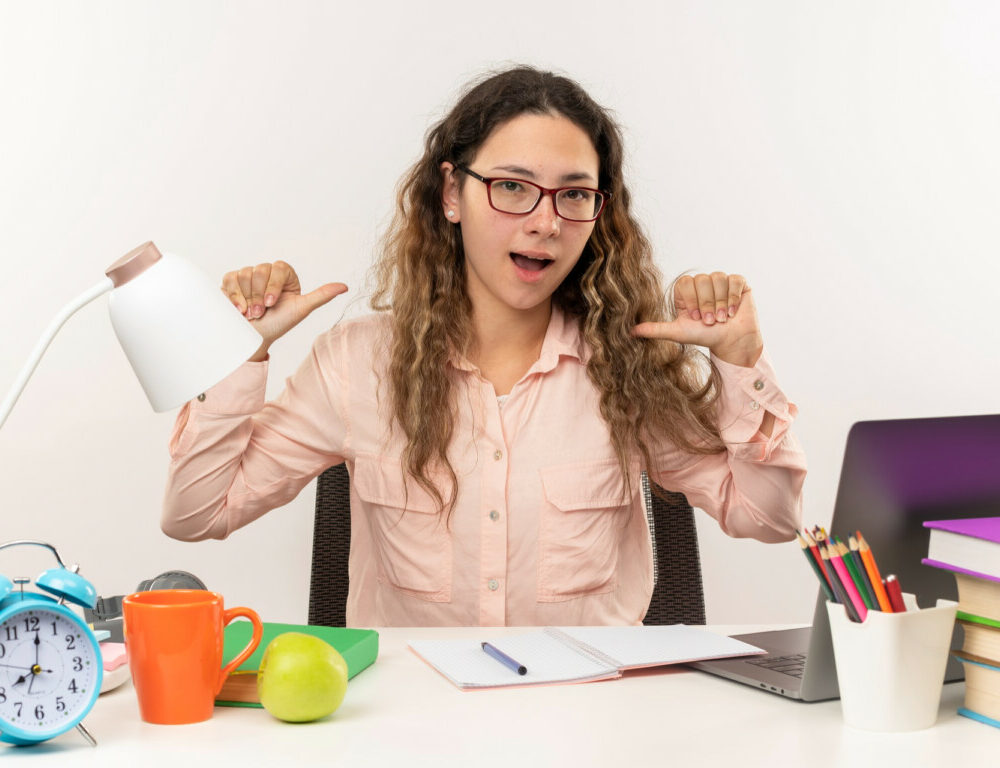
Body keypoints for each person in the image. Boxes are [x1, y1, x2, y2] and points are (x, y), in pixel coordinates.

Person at [162, 66, 806, 627]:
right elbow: (196, 513)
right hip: (412, 724)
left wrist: (740, 359)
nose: (546, 221)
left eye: (574, 194)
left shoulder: (625, 365)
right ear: (451, 194)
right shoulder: (355, 364)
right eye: (513, 185)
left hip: (589, 719)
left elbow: (769, 519)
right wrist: (238, 354)